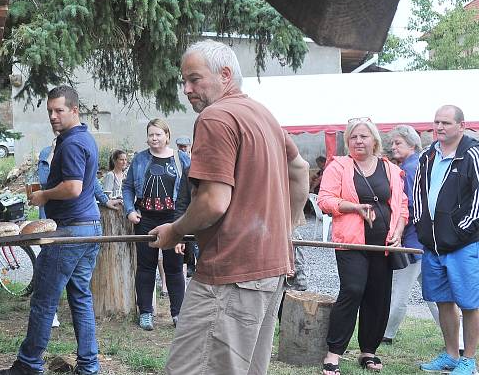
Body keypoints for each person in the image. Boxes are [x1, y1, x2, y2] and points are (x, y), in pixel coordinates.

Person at [149, 40, 310, 375]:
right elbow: (299, 169)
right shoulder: (261, 113)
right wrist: (288, 227)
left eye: (194, 79)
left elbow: (213, 201)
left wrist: (175, 230)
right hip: (270, 271)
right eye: (184, 81)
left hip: (230, 274)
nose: (186, 89)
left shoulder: (215, 117)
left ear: (225, 74)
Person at [0, 85, 102, 375]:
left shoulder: (70, 143)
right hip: (90, 228)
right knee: (80, 297)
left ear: (74, 110)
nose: (53, 117)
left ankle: (30, 364)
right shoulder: (84, 138)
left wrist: (43, 195)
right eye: (49, 111)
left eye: (59, 110)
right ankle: (89, 365)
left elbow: (73, 188)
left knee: (44, 298)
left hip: (69, 232)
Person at [318, 117, 408, 374]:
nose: (359, 141)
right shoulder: (339, 166)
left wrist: (398, 232)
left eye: (364, 136)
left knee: (378, 296)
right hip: (351, 242)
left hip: (383, 243)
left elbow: (402, 205)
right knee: (353, 290)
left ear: (374, 141)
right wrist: (354, 208)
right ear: (348, 141)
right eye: (354, 137)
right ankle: (334, 352)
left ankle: (369, 351)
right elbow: (325, 200)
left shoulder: (389, 168)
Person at [414, 105, 479, 375]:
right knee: (443, 300)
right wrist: (421, 227)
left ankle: (469, 359)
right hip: (433, 245)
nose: (439, 128)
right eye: (436, 122)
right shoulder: (428, 155)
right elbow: (418, 192)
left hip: (464, 244)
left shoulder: (473, 154)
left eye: (446, 123)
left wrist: (460, 230)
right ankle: (451, 355)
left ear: (461, 126)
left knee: (469, 302)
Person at [123, 118, 191, 330]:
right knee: (146, 267)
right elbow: (127, 187)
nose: (154, 138)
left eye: (158, 134)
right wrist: (130, 210)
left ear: (167, 136)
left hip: (174, 219)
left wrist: (186, 222)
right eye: (151, 134)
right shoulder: (140, 159)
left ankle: (178, 313)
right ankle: (145, 313)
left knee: (174, 267)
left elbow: (192, 189)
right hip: (146, 219)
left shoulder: (181, 160)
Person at [383, 125, 439, 344]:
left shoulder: (408, 169)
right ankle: (459, 337)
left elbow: (411, 207)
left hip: (413, 239)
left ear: (412, 144)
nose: (393, 146)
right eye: (393, 143)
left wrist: (398, 230)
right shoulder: (420, 164)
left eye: (398, 143)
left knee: (399, 290)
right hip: (426, 240)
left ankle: (386, 334)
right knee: (434, 293)